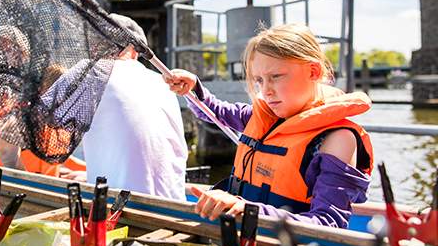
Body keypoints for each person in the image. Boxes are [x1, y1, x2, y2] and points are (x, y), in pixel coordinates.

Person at [163, 24, 373, 228]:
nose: (266, 91)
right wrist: (194, 90)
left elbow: (328, 225)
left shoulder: (338, 140)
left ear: (314, 72)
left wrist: (247, 210)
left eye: (276, 76)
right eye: (259, 81)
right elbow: (216, 112)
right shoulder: (264, 116)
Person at [64, 14, 188, 201]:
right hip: (174, 206)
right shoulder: (165, 84)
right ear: (135, 52)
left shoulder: (91, 74)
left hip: (124, 213)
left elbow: (33, 127)